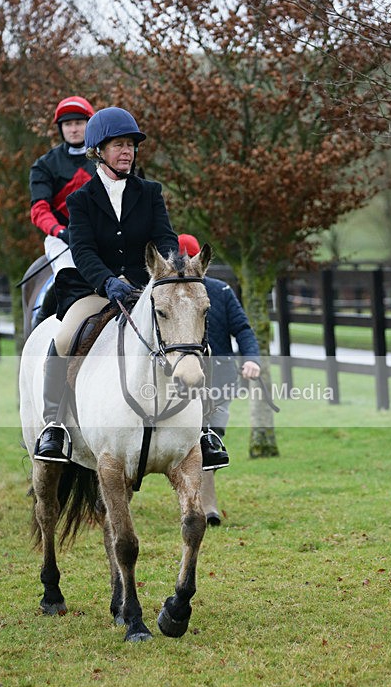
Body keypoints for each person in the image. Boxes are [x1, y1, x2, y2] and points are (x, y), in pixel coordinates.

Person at [34, 106, 179, 462]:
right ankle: (54, 425)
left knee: (186, 332)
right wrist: (107, 281)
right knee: (64, 338)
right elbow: (82, 251)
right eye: (118, 145)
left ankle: (202, 429)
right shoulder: (80, 200)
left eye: (130, 145)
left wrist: (169, 269)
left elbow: (166, 238)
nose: (127, 151)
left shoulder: (150, 192)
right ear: (99, 151)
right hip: (96, 291)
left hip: (144, 289)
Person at [178, 234, 261, 524]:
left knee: (210, 437)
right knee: (192, 439)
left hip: (220, 378)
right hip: (182, 379)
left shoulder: (221, 291)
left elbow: (243, 329)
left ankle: (205, 505)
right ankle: (203, 506)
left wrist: (251, 359)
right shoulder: (164, 295)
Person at [29, 96, 96, 286]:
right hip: (62, 239)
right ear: (61, 128)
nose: (73, 129)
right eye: (67, 124)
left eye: (79, 123)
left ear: (89, 125)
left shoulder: (106, 160)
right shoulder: (44, 165)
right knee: (68, 276)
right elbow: (39, 210)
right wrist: (61, 232)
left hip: (102, 234)